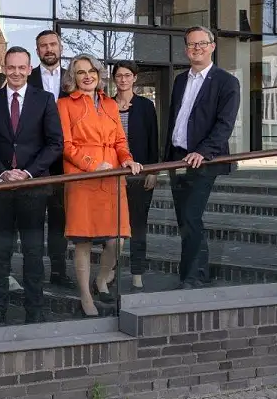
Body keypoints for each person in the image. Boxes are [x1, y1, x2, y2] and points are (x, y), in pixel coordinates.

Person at [0, 47, 64, 325]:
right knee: (0, 253)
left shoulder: (45, 100)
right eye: (10, 67)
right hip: (0, 190)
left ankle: (34, 310)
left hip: (33, 189)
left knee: (34, 253)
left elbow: (55, 143)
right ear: (4, 67)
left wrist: (27, 172)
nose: (15, 72)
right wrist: (2, 173)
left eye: (21, 67)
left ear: (30, 68)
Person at [57, 54, 142, 317]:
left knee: (117, 239)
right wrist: (92, 164)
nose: (87, 76)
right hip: (81, 178)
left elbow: (119, 141)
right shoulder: (64, 104)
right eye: (80, 72)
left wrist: (127, 160)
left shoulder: (110, 104)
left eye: (92, 70)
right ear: (73, 77)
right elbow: (66, 145)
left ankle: (103, 277)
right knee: (82, 242)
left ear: (98, 73)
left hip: (112, 177)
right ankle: (85, 295)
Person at [165, 26, 240, 289]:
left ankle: (195, 276)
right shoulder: (179, 81)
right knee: (183, 218)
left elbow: (224, 124)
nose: (196, 49)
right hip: (177, 158)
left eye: (201, 44)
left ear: (212, 46)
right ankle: (188, 273)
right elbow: (175, 120)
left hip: (203, 160)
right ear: (186, 49)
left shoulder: (226, 81)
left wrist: (204, 151)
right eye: (191, 45)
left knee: (191, 215)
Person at [28, 30, 74, 290]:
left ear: (60, 47)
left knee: (60, 220)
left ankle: (58, 271)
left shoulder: (73, 77)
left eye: (53, 44)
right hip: (35, 161)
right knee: (34, 221)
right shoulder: (28, 78)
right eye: (43, 45)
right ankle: (33, 275)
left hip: (65, 162)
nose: (49, 49)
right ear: (37, 51)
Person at [112, 60, 160, 292]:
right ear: (114, 79)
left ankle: (137, 273)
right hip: (113, 175)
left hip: (140, 175)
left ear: (135, 78)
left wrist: (153, 171)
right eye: (119, 75)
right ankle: (109, 270)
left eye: (127, 75)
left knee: (138, 226)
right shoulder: (106, 105)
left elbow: (153, 141)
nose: (123, 79)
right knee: (112, 228)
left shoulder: (145, 106)